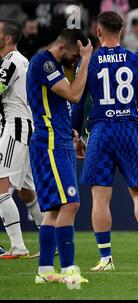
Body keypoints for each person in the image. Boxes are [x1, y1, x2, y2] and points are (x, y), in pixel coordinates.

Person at [72, 11, 138, 272]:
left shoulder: (88, 61)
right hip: (128, 129)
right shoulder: (136, 59)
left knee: (100, 198)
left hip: (100, 131)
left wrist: (75, 134)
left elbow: (78, 104)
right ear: (122, 30)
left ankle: (106, 258)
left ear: (98, 31)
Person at [26, 28, 92, 284]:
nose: (76, 60)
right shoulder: (44, 62)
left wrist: (74, 135)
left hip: (61, 139)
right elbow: (74, 95)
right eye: (75, 55)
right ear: (63, 48)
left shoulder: (56, 66)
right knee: (70, 204)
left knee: (54, 209)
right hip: (49, 142)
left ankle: (44, 272)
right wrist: (86, 60)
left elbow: (59, 106)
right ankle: (69, 271)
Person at [0, 20, 44, 259]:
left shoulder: (12, 61)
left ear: (8, 38)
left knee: (1, 187)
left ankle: (18, 246)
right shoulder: (20, 61)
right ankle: (53, 241)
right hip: (25, 127)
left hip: (14, 126)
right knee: (27, 191)